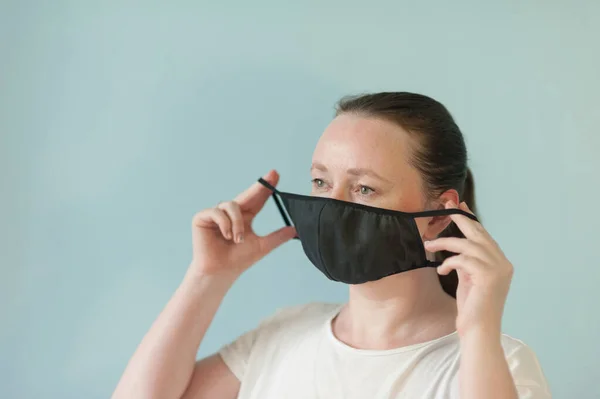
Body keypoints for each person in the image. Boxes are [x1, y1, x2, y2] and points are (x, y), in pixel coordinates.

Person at [112, 92, 550, 398]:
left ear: (438, 216)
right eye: (321, 182)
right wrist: (207, 277)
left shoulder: (496, 361)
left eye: (363, 189)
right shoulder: (285, 333)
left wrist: (477, 332)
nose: (330, 207)